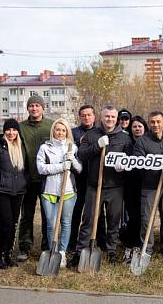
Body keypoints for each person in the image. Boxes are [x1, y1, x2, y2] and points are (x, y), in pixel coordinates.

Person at [73, 105, 133, 266]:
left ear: (117, 119)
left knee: (114, 221)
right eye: (107, 116)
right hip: (94, 185)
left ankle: (111, 250)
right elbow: (81, 154)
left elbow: (131, 160)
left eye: (113, 117)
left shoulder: (124, 137)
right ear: (102, 117)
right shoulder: (91, 134)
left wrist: (125, 166)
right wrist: (97, 145)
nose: (110, 120)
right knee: (89, 220)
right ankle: (80, 252)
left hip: (115, 187)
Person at [133, 111, 163, 258]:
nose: (156, 125)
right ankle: (146, 247)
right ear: (149, 123)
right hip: (149, 186)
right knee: (147, 218)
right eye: (152, 122)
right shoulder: (142, 141)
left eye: (158, 121)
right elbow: (137, 162)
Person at [37, 118, 82, 268]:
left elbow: (79, 169)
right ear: (53, 131)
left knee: (66, 222)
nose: (60, 132)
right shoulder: (45, 148)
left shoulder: (72, 147)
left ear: (67, 132)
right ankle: (53, 251)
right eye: (58, 129)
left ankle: (62, 252)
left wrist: (72, 161)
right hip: (49, 191)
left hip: (68, 191)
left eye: (63, 130)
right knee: (51, 223)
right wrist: (61, 166)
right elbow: (41, 168)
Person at [0, 119, 27, 269]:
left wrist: (24, 184)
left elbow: (25, 169)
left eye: (14, 130)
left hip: (18, 192)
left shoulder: (20, 147)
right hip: (1, 191)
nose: (11, 133)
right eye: (8, 130)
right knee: (6, 224)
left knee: (14, 224)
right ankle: (1, 255)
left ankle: (9, 254)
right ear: (4, 131)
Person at [17, 95, 54, 262]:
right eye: (31, 106)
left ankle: (47, 247)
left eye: (37, 105)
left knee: (48, 215)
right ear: (27, 108)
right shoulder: (20, 127)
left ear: (43, 108)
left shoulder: (51, 126)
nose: (34, 108)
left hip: (47, 179)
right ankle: (25, 247)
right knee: (27, 215)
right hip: (27, 178)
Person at [68, 105, 101, 256]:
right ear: (79, 117)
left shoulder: (100, 132)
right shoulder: (74, 133)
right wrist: (78, 143)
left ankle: (99, 240)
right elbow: (68, 149)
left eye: (89, 115)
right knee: (76, 211)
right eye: (83, 115)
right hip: (78, 178)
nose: (86, 118)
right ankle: (72, 242)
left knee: (97, 212)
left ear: (94, 116)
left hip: (96, 178)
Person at [120, 115, 148, 262]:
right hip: (131, 186)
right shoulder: (127, 144)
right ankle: (130, 245)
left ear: (144, 128)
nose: (137, 129)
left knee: (144, 217)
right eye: (134, 126)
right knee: (133, 216)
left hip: (147, 186)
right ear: (131, 129)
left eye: (140, 126)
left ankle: (141, 244)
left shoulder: (149, 143)